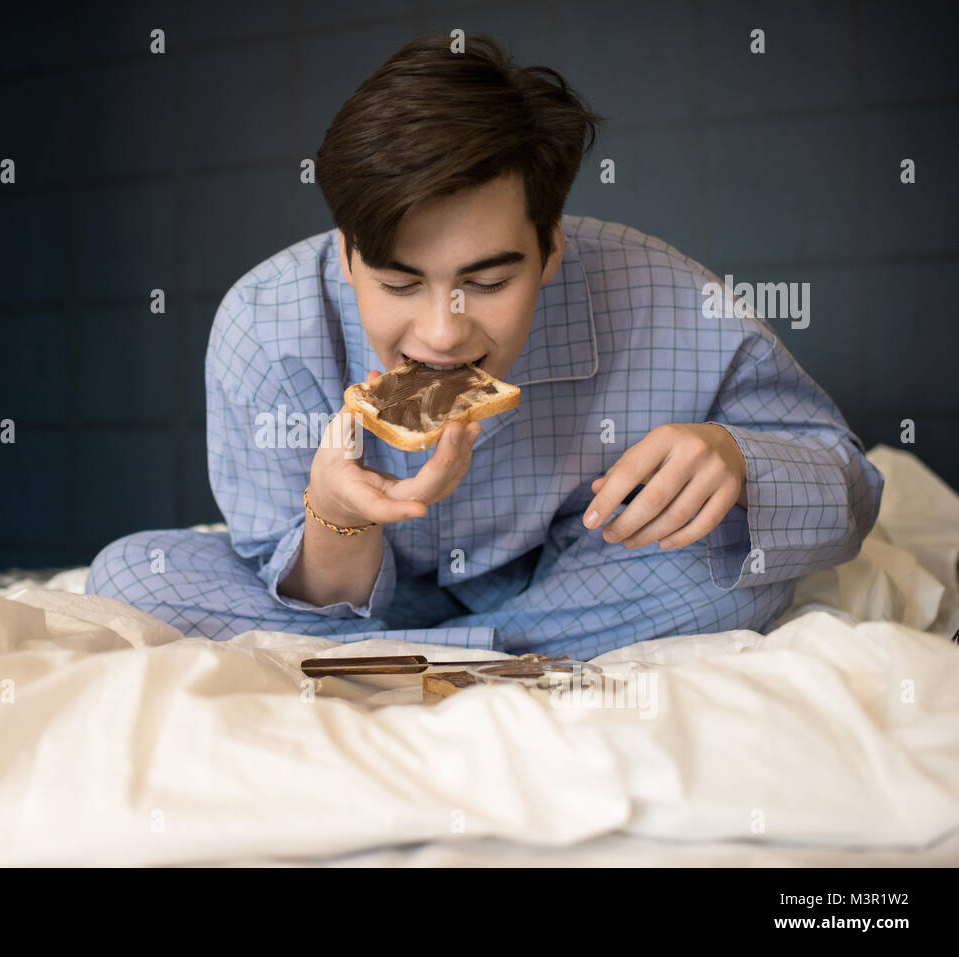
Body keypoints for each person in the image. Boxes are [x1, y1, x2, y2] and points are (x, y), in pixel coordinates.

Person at [87, 34, 883, 659]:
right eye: (400, 284)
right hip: (402, 607)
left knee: (731, 557)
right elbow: (306, 593)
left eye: (491, 282)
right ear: (346, 255)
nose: (441, 333)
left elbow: (849, 485)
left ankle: (403, 664)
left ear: (552, 249)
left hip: (579, 581)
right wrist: (339, 518)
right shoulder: (263, 328)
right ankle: (498, 660)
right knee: (130, 576)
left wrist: (736, 458)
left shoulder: (668, 296)